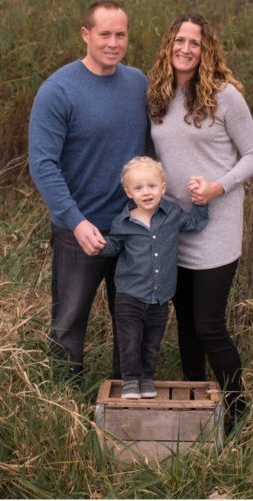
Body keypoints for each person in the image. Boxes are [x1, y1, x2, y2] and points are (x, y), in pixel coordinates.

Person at [146, 13, 253, 428]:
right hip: (174, 227)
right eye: (179, 40)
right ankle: (197, 409)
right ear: (169, 44)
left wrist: (218, 186)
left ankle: (237, 412)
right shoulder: (158, 95)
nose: (185, 49)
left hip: (217, 227)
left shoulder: (224, 96)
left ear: (205, 49)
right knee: (186, 325)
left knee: (210, 325)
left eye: (194, 43)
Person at [28, 0, 149, 379]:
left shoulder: (138, 83)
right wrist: (75, 221)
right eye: (104, 34)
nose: (113, 43)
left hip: (130, 228)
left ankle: (126, 394)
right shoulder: (58, 91)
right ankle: (63, 399)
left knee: (132, 319)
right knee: (69, 321)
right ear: (86, 34)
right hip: (79, 229)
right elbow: (43, 165)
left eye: (120, 35)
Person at [96, 157, 209, 399]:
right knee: (130, 341)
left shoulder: (172, 214)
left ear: (163, 187)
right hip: (129, 295)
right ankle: (130, 381)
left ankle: (146, 379)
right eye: (138, 188)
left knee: (151, 343)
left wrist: (201, 201)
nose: (146, 192)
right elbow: (114, 245)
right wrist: (99, 245)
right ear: (129, 193)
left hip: (160, 296)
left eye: (152, 186)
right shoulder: (123, 221)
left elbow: (195, 223)